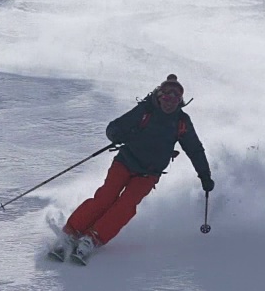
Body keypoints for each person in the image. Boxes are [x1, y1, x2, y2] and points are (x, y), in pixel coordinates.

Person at [55, 74, 215, 262]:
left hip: (148, 173)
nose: (170, 102)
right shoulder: (146, 110)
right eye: (166, 97)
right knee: (106, 197)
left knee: (126, 205)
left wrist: (204, 175)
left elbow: (194, 149)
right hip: (125, 162)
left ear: (180, 101)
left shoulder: (181, 122)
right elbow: (115, 127)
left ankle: (93, 238)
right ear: (159, 95)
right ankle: (72, 232)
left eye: (175, 99)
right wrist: (117, 134)